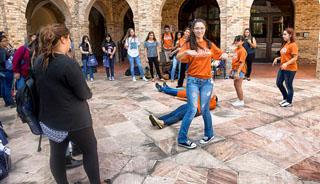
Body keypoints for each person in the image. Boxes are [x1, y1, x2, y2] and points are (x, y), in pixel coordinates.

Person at [34, 24, 101, 183]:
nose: (70, 41)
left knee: (56, 154)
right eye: (69, 38)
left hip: (50, 119)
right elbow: (83, 93)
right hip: (75, 121)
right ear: (63, 39)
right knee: (90, 151)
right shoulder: (67, 63)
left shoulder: (38, 61)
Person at [176, 19, 227, 149]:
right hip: (193, 80)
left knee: (205, 109)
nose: (199, 30)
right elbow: (178, 57)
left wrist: (222, 56)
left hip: (207, 82)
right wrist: (187, 52)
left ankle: (209, 134)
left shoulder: (209, 44)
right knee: (192, 109)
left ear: (205, 29)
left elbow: (222, 54)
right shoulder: (188, 44)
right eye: (197, 28)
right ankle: (182, 139)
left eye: (202, 28)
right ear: (193, 30)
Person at [273, 28, 298, 107]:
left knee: (288, 85)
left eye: (285, 34)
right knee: (279, 83)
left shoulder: (293, 45)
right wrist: (277, 58)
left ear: (290, 35)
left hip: (290, 69)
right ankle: (285, 98)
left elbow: (295, 58)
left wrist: (286, 64)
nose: (283, 36)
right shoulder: (286, 44)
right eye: (283, 34)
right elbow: (285, 56)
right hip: (283, 67)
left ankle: (289, 101)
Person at [230, 35, 247, 107]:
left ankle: (241, 101)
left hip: (239, 70)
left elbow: (242, 63)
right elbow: (234, 60)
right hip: (235, 69)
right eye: (236, 40)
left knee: (238, 85)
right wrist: (232, 70)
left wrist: (237, 72)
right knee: (235, 85)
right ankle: (239, 99)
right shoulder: (236, 49)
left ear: (242, 42)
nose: (236, 42)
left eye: (238, 40)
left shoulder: (242, 51)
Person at [0, 35, 15, 107]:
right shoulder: (2, 50)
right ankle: (11, 102)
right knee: (7, 87)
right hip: (5, 71)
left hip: (1, 71)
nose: (6, 42)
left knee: (3, 86)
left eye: (6, 40)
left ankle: (7, 102)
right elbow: (3, 60)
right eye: (4, 41)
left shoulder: (3, 49)